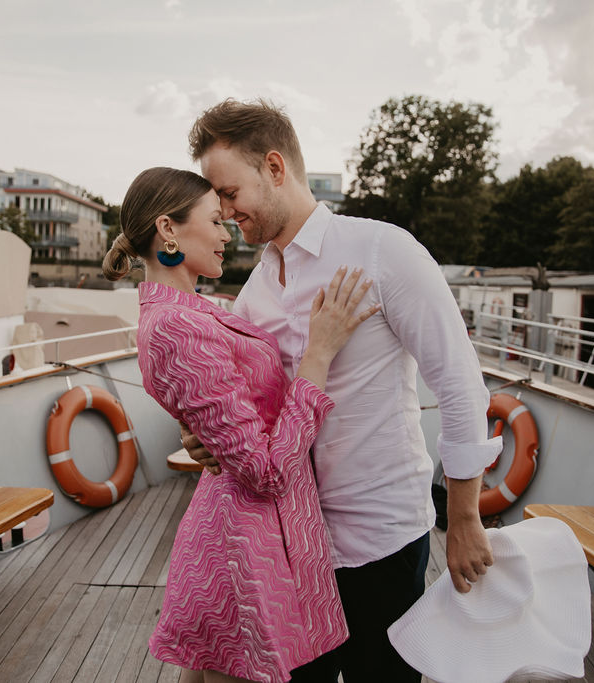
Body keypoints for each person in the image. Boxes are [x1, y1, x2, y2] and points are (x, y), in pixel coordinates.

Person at [183, 99, 503, 682]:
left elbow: (459, 385)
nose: (226, 213)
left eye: (230, 193)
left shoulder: (384, 253)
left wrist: (462, 519)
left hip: (381, 538)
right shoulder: (254, 291)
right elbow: (264, 411)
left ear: (275, 168)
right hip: (290, 546)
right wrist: (214, 440)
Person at [102, 167, 380, 683]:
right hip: (243, 553)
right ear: (168, 229)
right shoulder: (176, 326)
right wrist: (318, 354)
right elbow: (266, 470)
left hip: (250, 538)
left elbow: (230, 415)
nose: (227, 232)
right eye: (214, 220)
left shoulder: (193, 310)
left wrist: (205, 433)